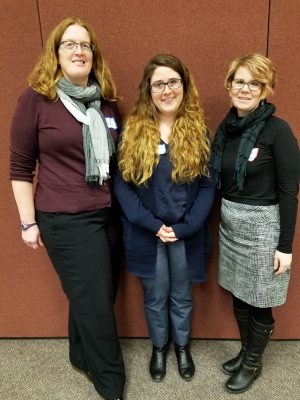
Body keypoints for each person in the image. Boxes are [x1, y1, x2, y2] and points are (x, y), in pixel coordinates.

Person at [10, 16, 125, 400]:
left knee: (97, 294)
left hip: (107, 215)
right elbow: (20, 167)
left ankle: (80, 354)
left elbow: (118, 161)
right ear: (56, 53)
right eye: (70, 44)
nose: (79, 51)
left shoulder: (105, 101)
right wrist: (28, 224)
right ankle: (112, 385)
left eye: (86, 45)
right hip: (65, 219)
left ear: (94, 55)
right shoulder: (37, 99)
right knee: (96, 305)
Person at [114, 54, 215, 382]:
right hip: (147, 232)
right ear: (149, 89)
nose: (167, 89)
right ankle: (159, 347)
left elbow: (209, 185)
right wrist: (153, 225)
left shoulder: (199, 131)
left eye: (173, 82)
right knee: (155, 295)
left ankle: (182, 346)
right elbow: (122, 186)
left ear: (184, 86)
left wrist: (186, 226)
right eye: (159, 83)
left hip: (187, 233)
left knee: (182, 295)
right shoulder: (132, 131)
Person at [213, 53, 300, 394]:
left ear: (266, 90)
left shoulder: (278, 131)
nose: (245, 88)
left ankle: (253, 363)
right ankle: (246, 351)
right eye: (240, 81)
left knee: (261, 298)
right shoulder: (226, 128)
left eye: (255, 83)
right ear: (229, 85)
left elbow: (290, 192)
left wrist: (285, 247)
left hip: (265, 226)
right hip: (231, 223)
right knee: (239, 292)